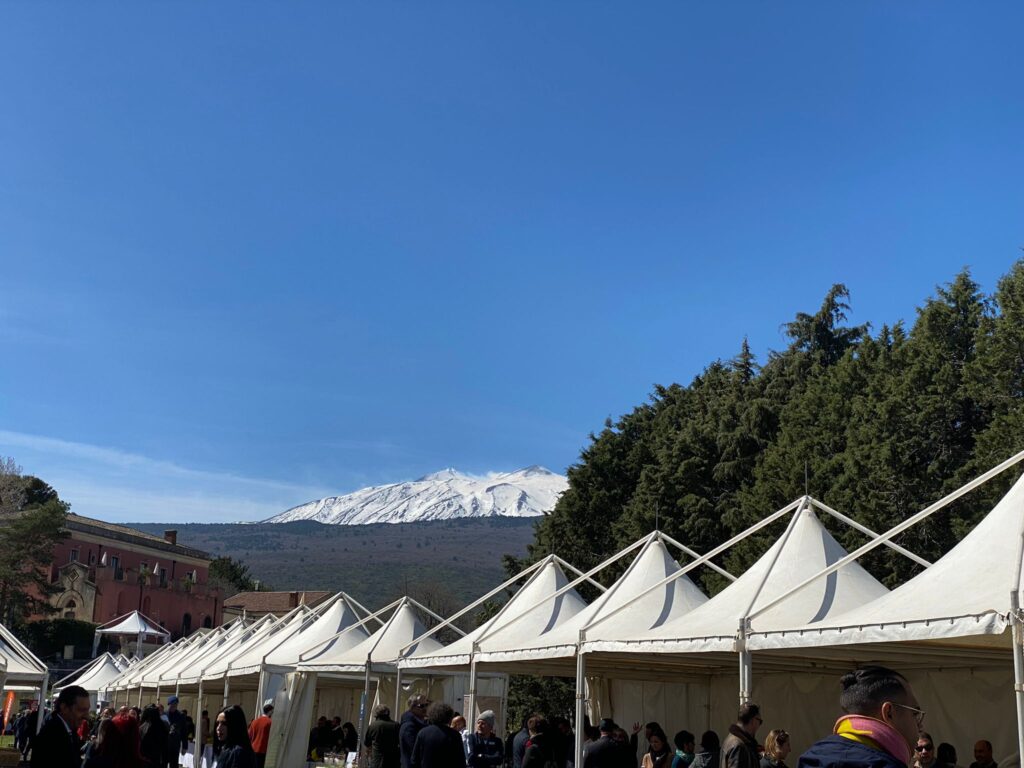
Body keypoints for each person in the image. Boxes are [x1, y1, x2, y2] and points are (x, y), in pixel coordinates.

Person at [798, 665, 924, 768]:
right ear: (889, 712)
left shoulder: (811, 758)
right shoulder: (887, 765)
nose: (920, 726)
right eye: (915, 713)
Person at [32, 684, 91, 768]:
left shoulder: (70, 731)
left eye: (87, 710)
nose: (87, 716)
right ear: (64, 708)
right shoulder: (51, 736)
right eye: (81, 710)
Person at [411, 701, 466, 768]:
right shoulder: (455, 735)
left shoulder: (423, 733)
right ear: (449, 717)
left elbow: (414, 760)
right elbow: (460, 761)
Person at [723, 703, 763, 768]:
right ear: (753, 720)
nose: (759, 725)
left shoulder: (733, 740)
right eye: (760, 721)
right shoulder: (739, 745)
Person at [365, 704, 401, 768]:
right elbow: (400, 742)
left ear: (377, 714)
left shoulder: (373, 726)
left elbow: (367, 743)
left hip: (377, 761)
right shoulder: (396, 725)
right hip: (393, 761)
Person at [401, 694, 431, 768]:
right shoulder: (409, 726)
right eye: (421, 706)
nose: (425, 708)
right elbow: (415, 750)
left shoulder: (424, 723)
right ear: (412, 707)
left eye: (426, 705)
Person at [247, 702, 273, 768]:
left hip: (253, 749)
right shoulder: (270, 722)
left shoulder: (254, 722)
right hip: (263, 750)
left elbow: (249, 735)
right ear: (270, 711)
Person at [165, 696, 187, 768]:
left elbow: (184, 732)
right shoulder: (164, 715)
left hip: (175, 744)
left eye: (175, 704)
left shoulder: (181, 715)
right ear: (169, 704)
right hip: (165, 743)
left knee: (174, 764)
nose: (174, 706)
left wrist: (184, 746)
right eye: (172, 704)